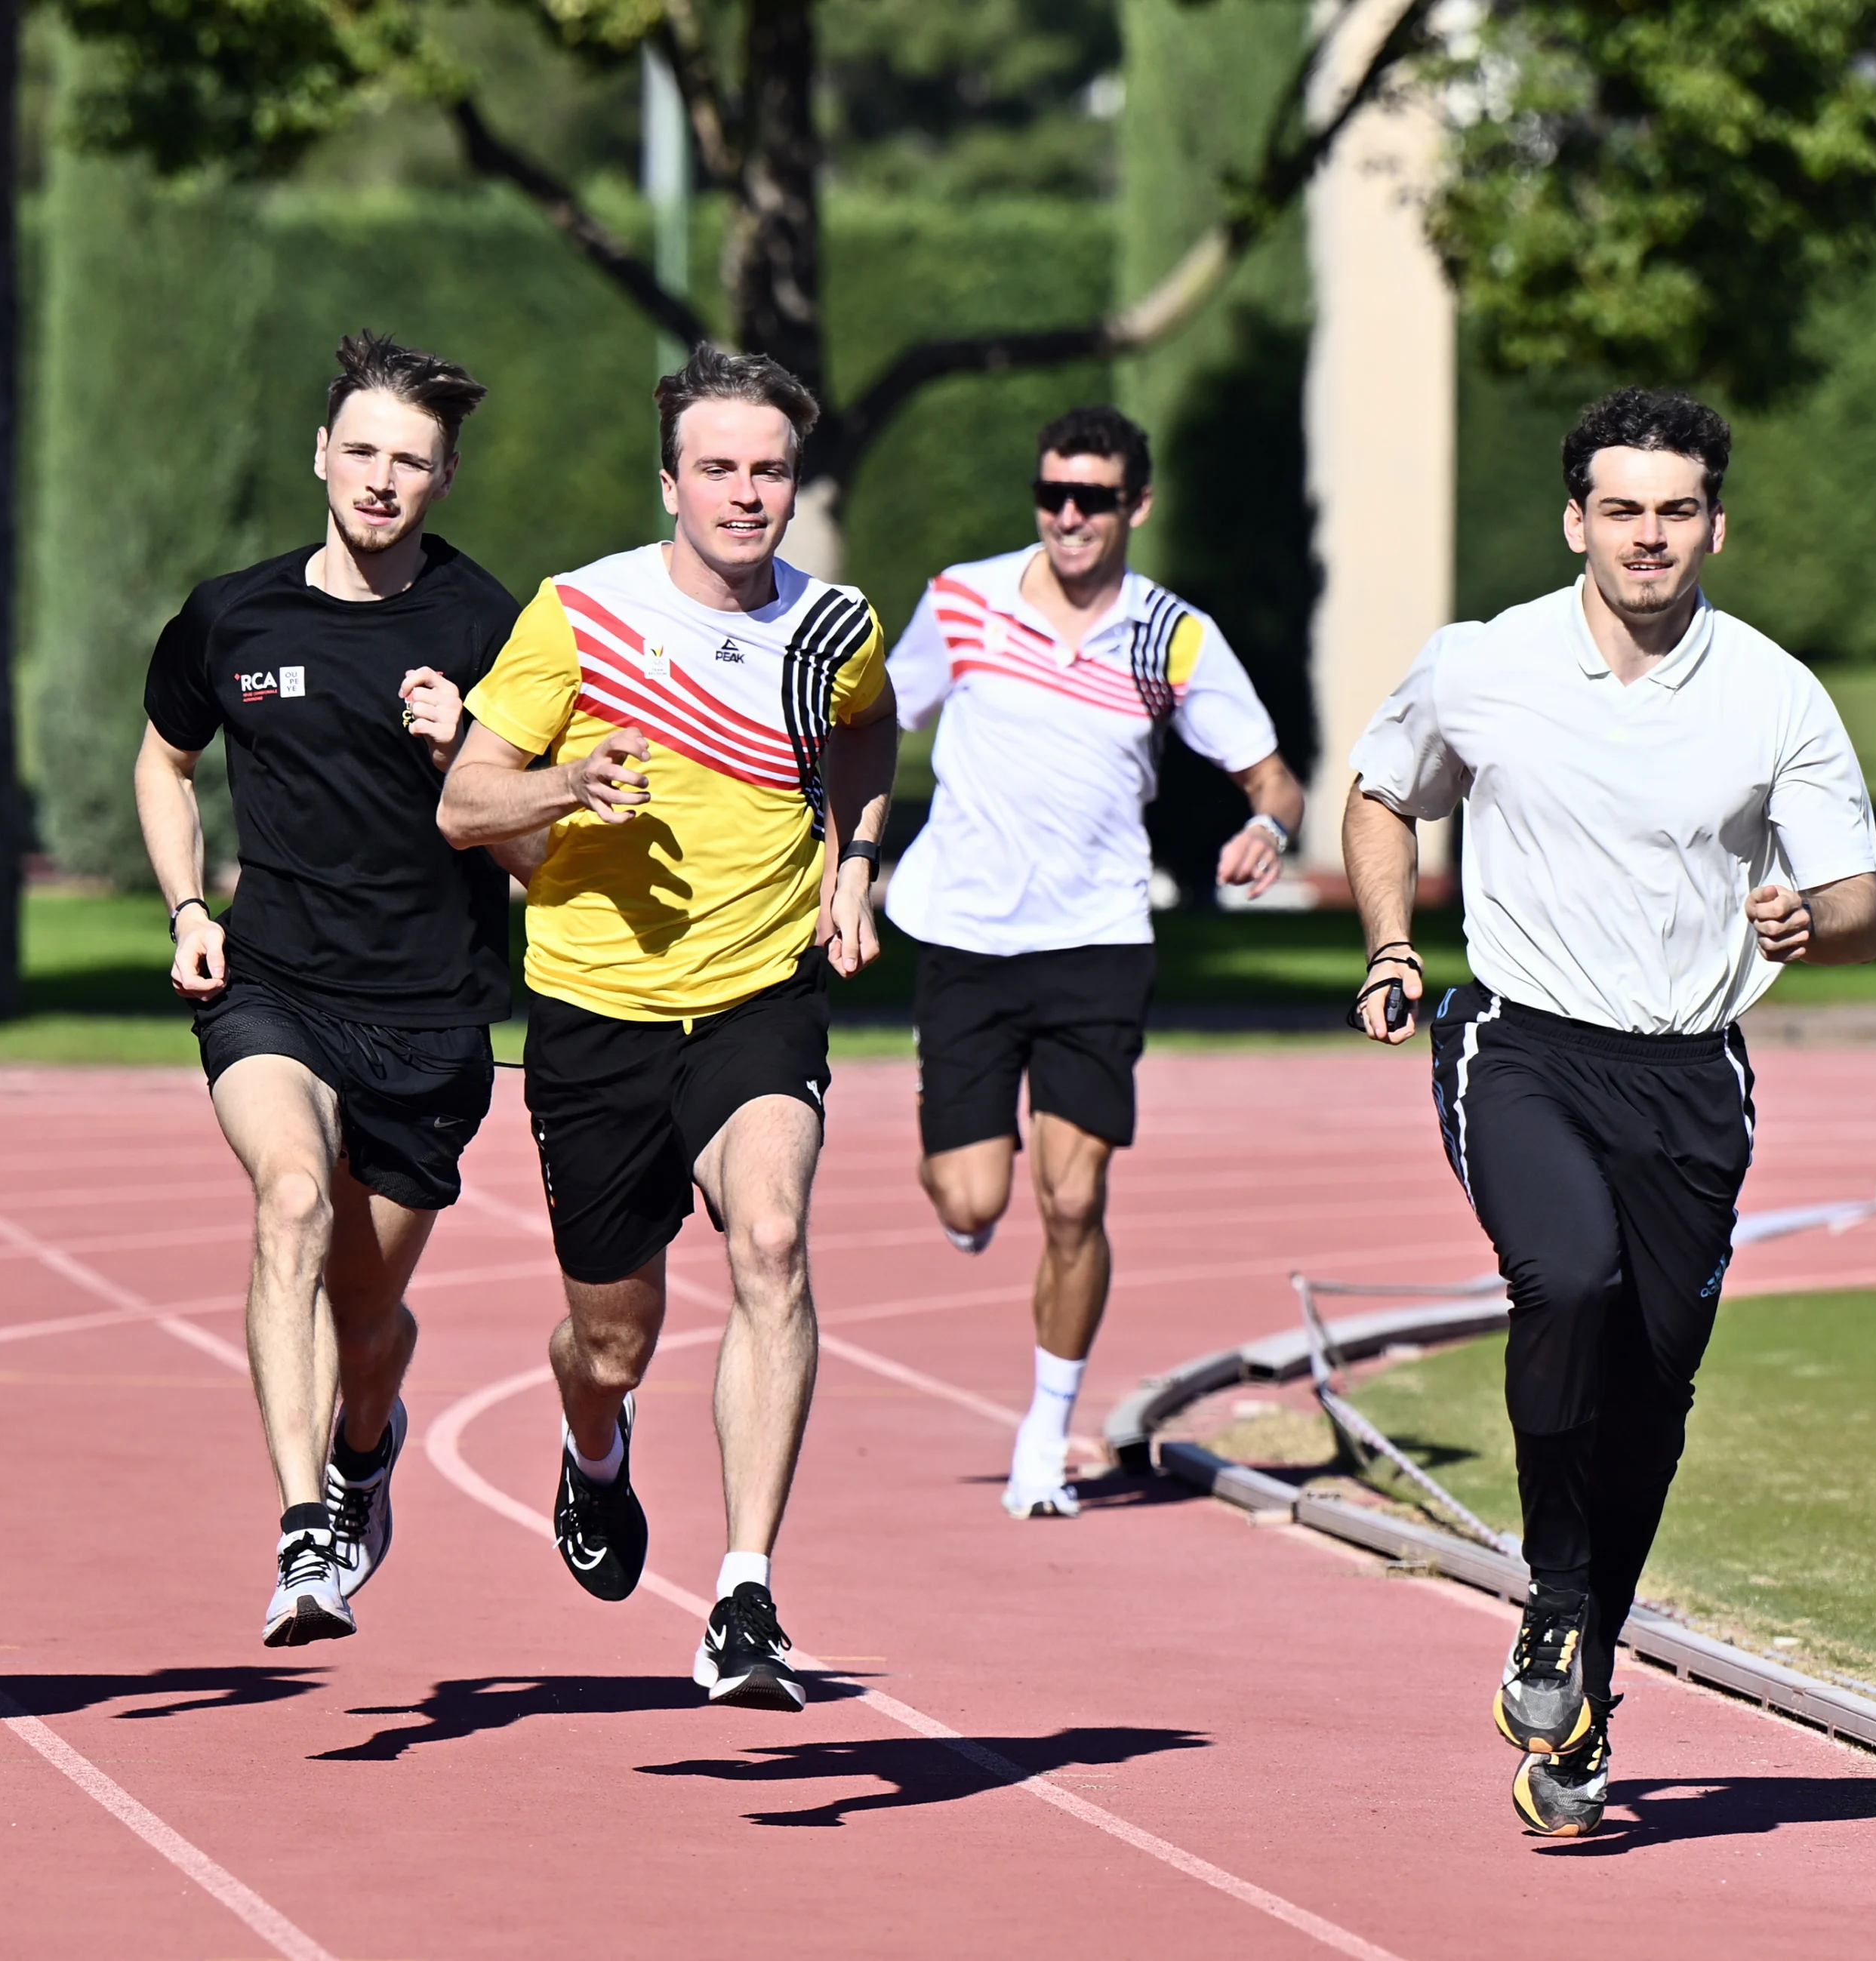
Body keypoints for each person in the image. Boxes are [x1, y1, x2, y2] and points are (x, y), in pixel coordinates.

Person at [1342, 387, 1876, 1836]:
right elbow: (1384, 795)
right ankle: (1555, 1599)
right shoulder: (1484, 664)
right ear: (1575, 518)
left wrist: (1804, 921)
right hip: (1518, 1043)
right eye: (1623, 509)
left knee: (1652, 1394)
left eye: (1679, 509)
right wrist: (1397, 946)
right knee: (1565, 1274)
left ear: (1717, 522)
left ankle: (1584, 1668)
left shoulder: (1776, 692)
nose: (1651, 536)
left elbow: (1862, 907)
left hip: (1692, 1073)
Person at [438, 345, 895, 1715]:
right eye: (720, 469)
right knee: (615, 1336)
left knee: (771, 1239)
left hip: (758, 996)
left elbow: (867, 735)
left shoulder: (834, 626)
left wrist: (853, 858)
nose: (747, 494)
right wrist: (568, 779)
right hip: (594, 1011)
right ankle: (593, 1445)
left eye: (769, 470)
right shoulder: (580, 617)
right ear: (671, 483)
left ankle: (743, 1592)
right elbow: (467, 804)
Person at [134, 333, 527, 1649]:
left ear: (445, 476)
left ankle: (367, 1447)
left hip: (429, 1015)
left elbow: (543, 834)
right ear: (320, 455)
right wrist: (189, 906)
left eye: (409, 459)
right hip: (274, 985)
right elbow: (162, 757)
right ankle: (307, 1529)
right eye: (360, 449)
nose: (380, 477)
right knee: (290, 1198)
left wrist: (467, 746)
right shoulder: (234, 614)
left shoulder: (494, 627)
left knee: (367, 1324)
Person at [883, 404, 1304, 1520]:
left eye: (1093, 498)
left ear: (1135, 507)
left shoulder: (1174, 635)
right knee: (970, 1199)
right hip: (966, 937)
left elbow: (1274, 777)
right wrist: (850, 857)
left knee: (1074, 1199)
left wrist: (1269, 827)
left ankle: (1045, 1429)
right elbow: (873, 720)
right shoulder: (962, 599)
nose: (1068, 517)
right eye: (1052, 494)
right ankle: (966, 1181)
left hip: (1098, 945)